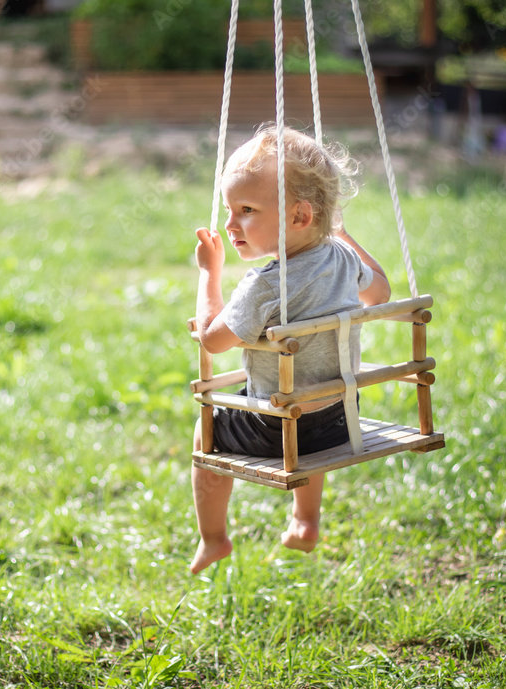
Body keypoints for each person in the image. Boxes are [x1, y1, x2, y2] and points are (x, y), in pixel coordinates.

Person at [190, 125, 391, 574]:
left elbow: (212, 339)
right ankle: (305, 520)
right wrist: (341, 235)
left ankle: (214, 539)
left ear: (300, 217)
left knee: (207, 437)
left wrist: (209, 273)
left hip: (274, 426)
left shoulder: (263, 286)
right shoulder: (342, 259)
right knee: (303, 395)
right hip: (340, 419)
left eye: (247, 210)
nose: (230, 224)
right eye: (229, 209)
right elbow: (379, 292)